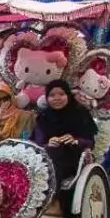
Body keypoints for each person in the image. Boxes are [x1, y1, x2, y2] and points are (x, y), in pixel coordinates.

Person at [32, 80, 96, 208]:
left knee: (55, 155)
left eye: (61, 94)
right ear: (47, 98)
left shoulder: (80, 113)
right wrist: (48, 143)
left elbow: (90, 141)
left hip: (73, 158)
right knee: (51, 153)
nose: (57, 98)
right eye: (52, 95)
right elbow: (36, 143)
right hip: (47, 157)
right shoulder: (44, 117)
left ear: (68, 95)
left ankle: (52, 199)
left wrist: (75, 140)